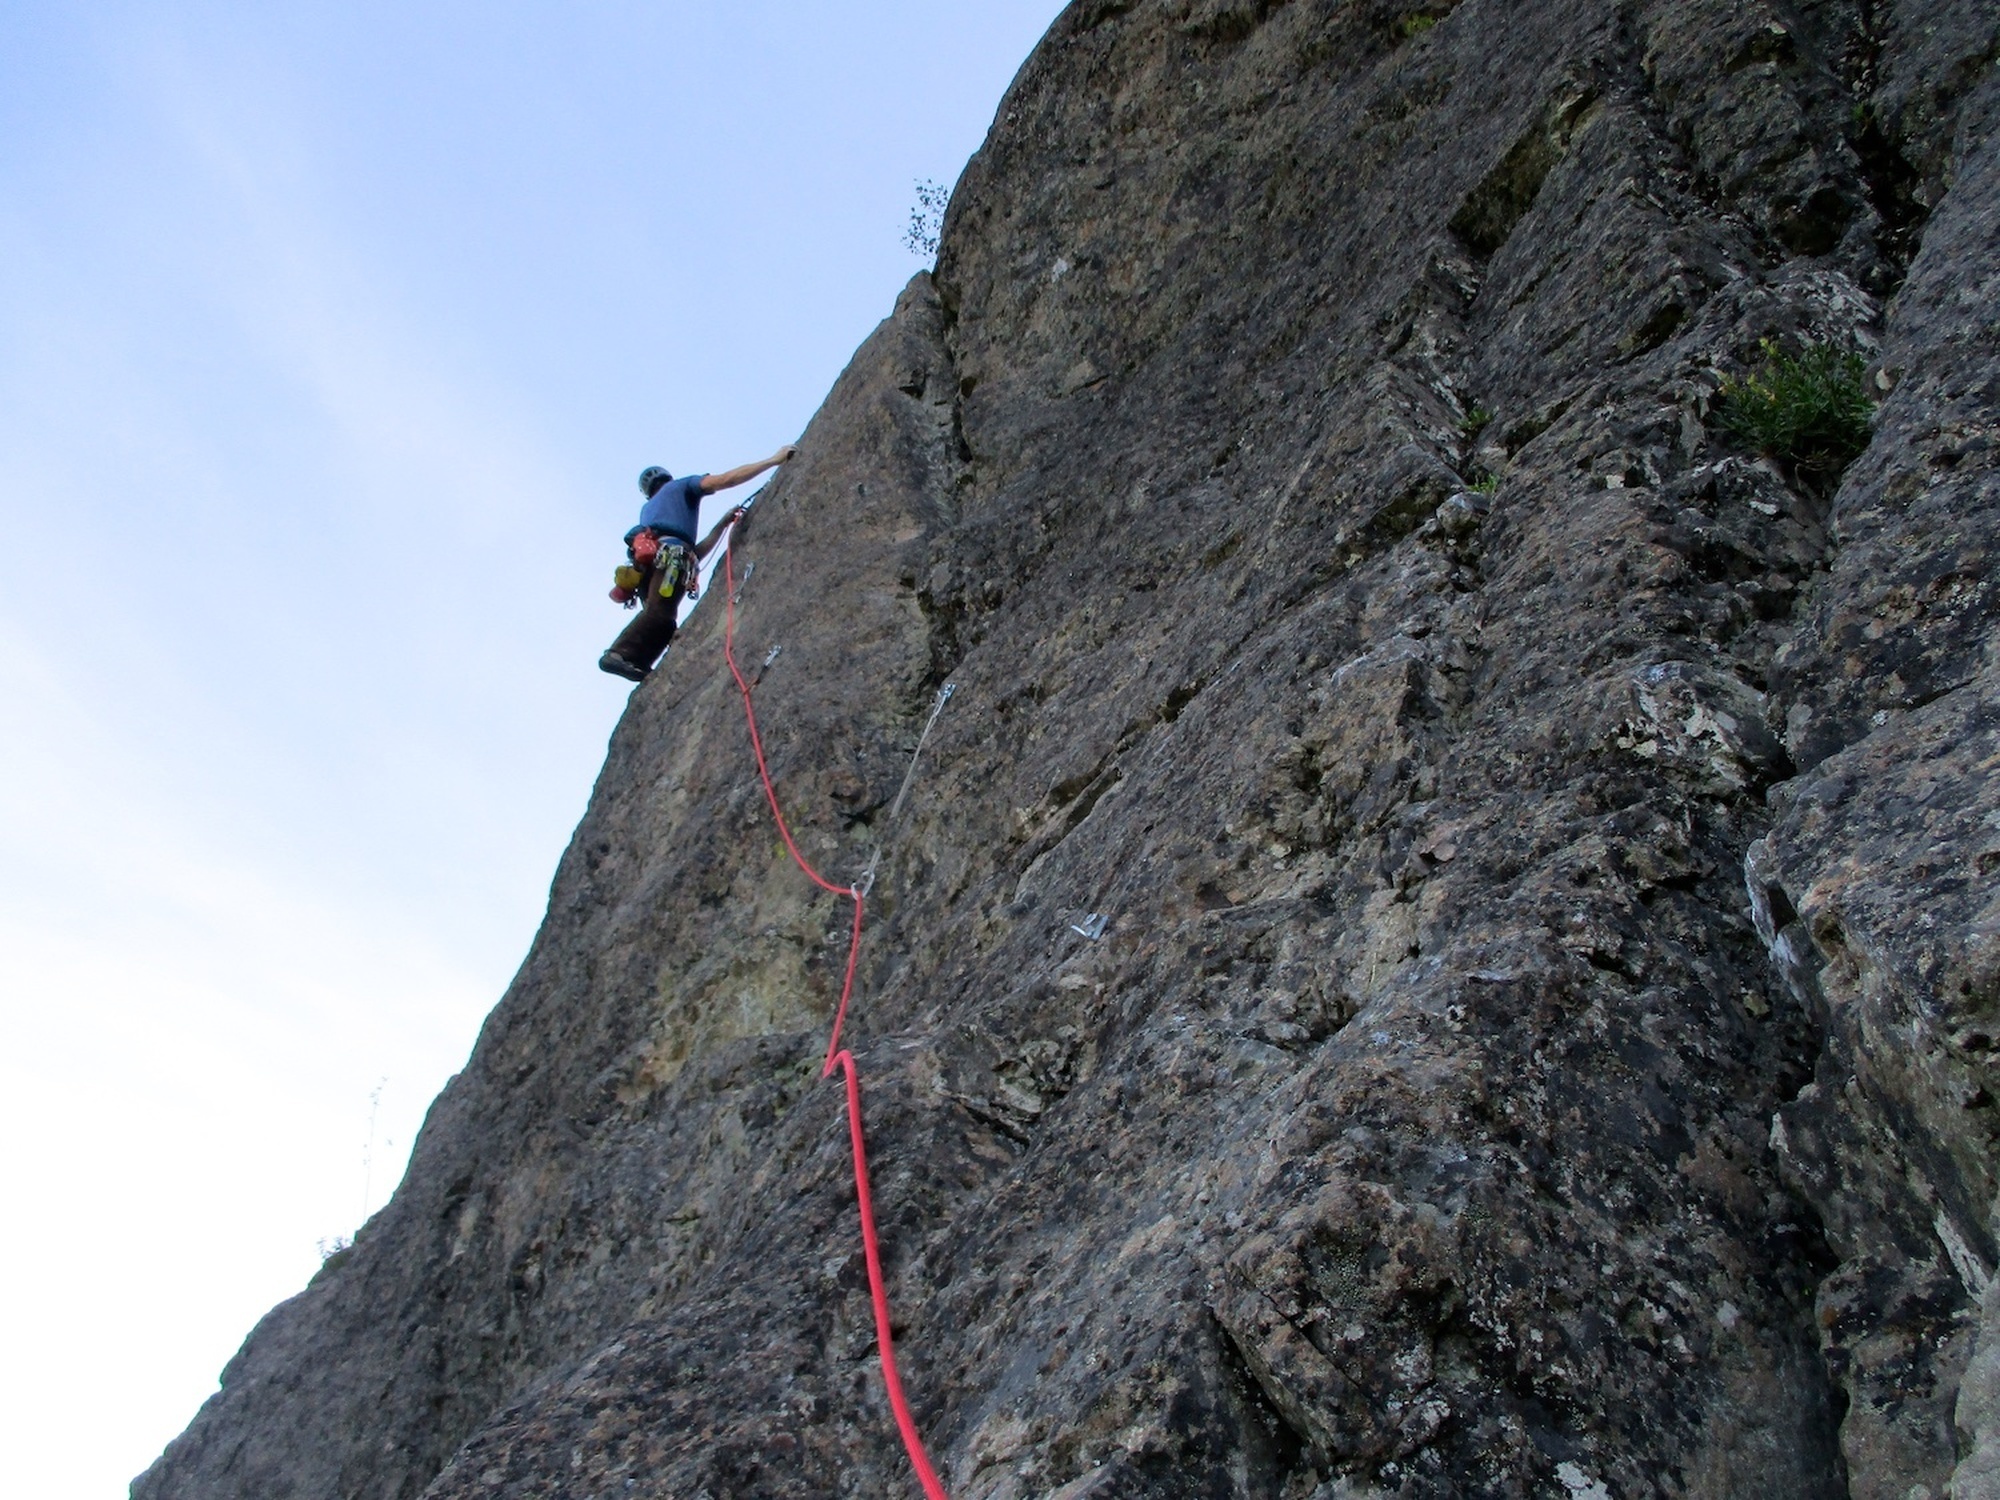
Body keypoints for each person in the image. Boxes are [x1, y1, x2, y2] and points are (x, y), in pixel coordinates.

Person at [599, 445, 798, 681]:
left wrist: (722, 525)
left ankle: (637, 661)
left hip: (650, 565)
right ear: (666, 477)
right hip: (671, 560)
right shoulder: (681, 486)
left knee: (664, 619)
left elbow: (693, 553)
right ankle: (618, 654)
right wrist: (773, 460)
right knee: (660, 614)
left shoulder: (648, 511)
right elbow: (726, 480)